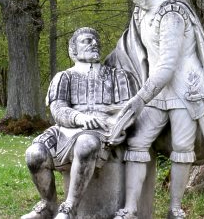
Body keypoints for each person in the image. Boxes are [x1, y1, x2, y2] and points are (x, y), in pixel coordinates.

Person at [105, 0, 204, 219]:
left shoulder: (172, 13)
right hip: (156, 90)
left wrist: (139, 99)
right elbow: (127, 49)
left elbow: (168, 65)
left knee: (182, 147)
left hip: (185, 89)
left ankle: (175, 208)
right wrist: (101, 69)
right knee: (138, 142)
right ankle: (130, 208)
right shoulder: (140, 13)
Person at [21, 27, 137, 219]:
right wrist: (79, 118)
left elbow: (128, 109)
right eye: (86, 41)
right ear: (73, 50)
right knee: (34, 154)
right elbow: (57, 109)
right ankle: (48, 205)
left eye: (95, 40)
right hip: (66, 129)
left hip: (103, 129)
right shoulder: (64, 77)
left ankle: (70, 207)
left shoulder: (118, 76)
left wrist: (112, 121)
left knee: (86, 144)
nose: (94, 43)